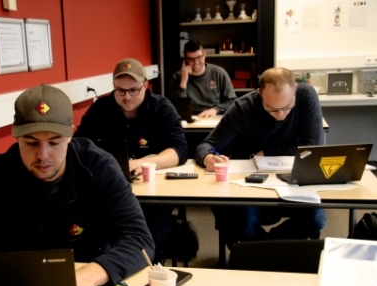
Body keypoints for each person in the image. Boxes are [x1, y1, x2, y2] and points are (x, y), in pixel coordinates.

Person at [0, 84, 155, 286]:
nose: (43, 155)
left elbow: (140, 240)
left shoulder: (100, 167)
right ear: (16, 137)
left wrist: (87, 276)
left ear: (70, 136)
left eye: (54, 142)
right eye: (31, 143)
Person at [195, 67, 326, 246]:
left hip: (293, 178)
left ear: (295, 89)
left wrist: (268, 153)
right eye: (271, 109)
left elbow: (313, 147)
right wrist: (208, 158)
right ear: (260, 94)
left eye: (287, 107)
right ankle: (265, 251)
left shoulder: (306, 96)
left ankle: (265, 249)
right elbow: (206, 145)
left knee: (315, 219)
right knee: (244, 225)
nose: (280, 115)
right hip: (251, 181)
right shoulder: (243, 107)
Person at [74, 58, 189, 260]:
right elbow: (77, 146)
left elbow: (179, 150)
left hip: (153, 194)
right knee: (99, 239)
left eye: (133, 90)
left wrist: (144, 163)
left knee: (149, 237)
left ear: (145, 85)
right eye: (120, 90)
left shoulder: (161, 108)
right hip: (107, 189)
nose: (126, 97)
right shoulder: (100, 109)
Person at [169, 40, 237, 118]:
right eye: (190, 59)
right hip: (189, 119)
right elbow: (175, 108)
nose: (196, 62)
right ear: (185, 60)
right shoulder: (177, 77)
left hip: (214, 116)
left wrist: (215, 109)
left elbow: (232, 101)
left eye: (199, 57)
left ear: (204, 54)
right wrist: (183, 81)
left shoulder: (219, 73)